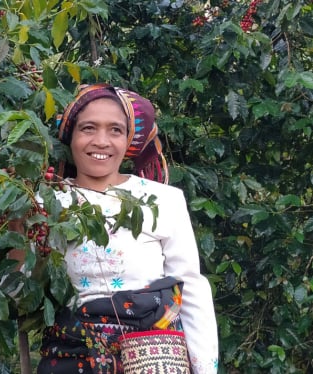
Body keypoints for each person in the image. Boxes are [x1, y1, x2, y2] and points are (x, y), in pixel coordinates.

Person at [36, 83, 218, 373]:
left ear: (129, 139)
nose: (101, 141)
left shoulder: (162, 200)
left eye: (115, 130)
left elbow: (190, 287)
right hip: (72, 357)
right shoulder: (45, 204)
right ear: (70, 136)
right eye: (88, 128)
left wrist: (205, 368)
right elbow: (24, 290)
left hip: (153, 359)